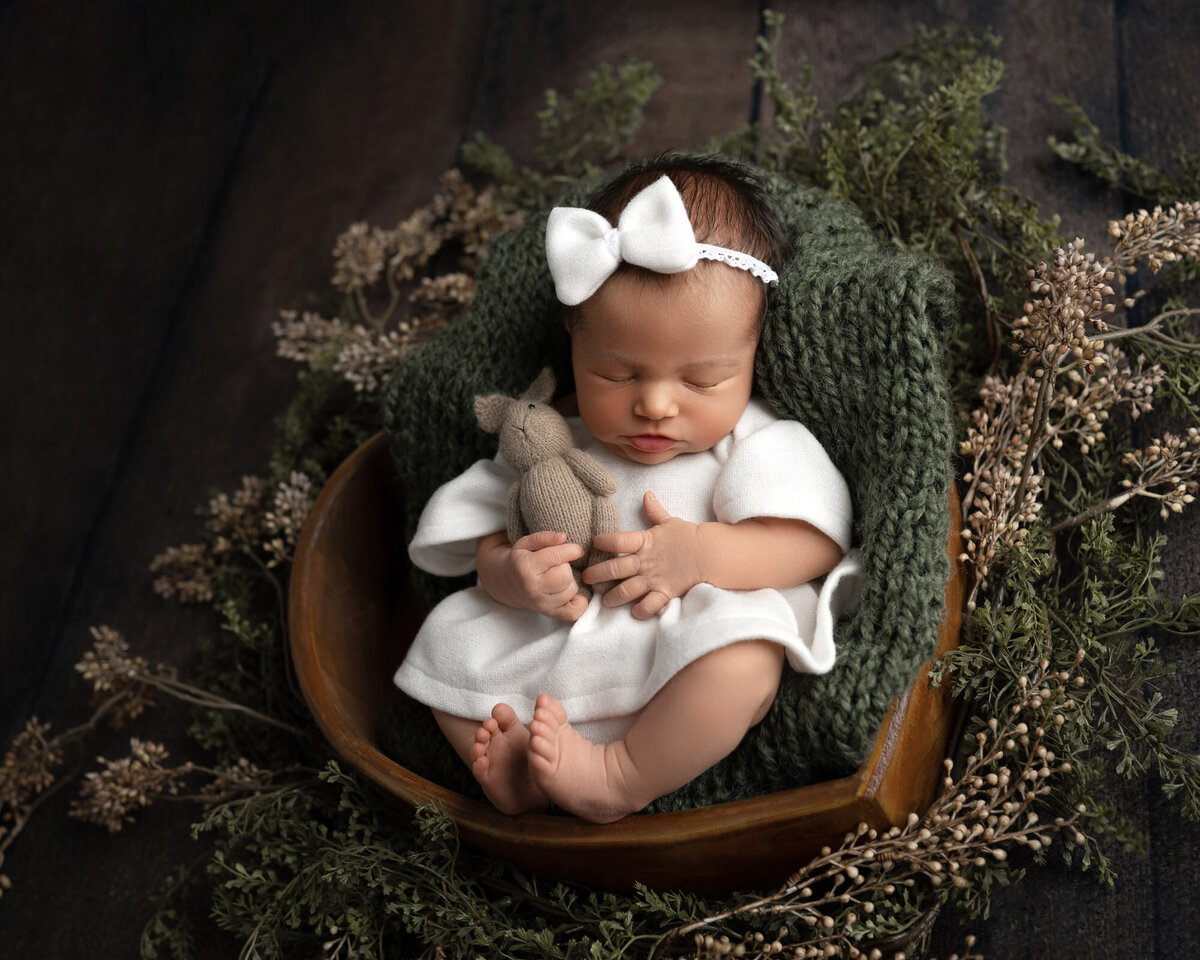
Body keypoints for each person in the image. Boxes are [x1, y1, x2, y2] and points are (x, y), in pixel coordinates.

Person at [394, 155, 860, 823]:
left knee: (747, 662)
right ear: (573, 346)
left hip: (684, 645)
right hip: (557, 645)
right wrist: (513, 575)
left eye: (702, 381)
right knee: (448, 645)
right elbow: (488, 536)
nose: (656, 407)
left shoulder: (753, 442)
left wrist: (701, 554)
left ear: (753, 353)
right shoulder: (553, 438)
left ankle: (619, 774)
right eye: (615, 374)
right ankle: (526, 777)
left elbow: (811, 541)